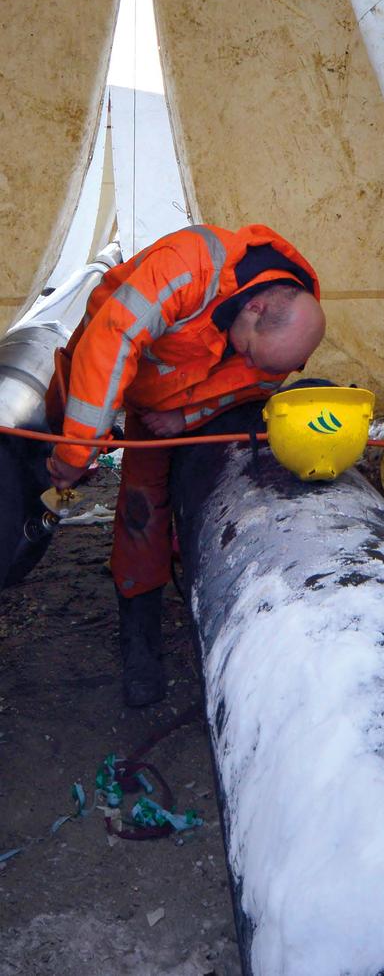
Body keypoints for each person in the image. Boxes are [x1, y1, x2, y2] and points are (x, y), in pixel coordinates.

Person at [44, 224, 326, 707]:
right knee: (124, 500)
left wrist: (185, 417)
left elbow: (249, 385)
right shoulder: (189, 267)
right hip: (119, 383)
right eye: (251, 350)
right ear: (253, 309)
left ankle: (166, 629)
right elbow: (111, 342)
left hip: (180, 408)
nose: (255, 362)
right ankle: (139, 642)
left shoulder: (285, 330)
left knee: (166, 503)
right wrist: (75, 453)